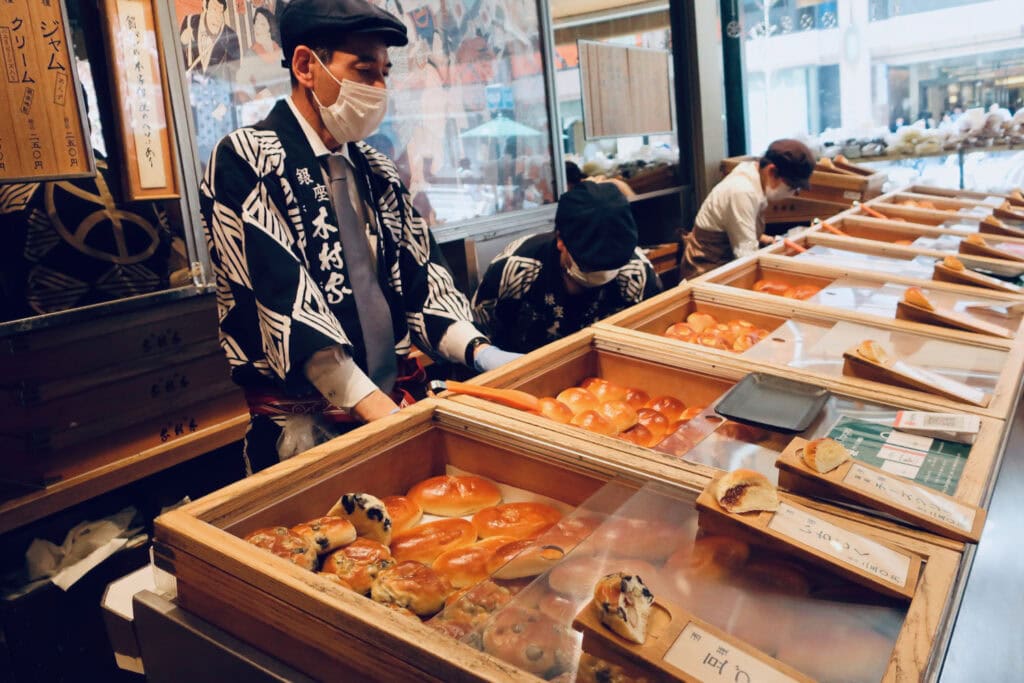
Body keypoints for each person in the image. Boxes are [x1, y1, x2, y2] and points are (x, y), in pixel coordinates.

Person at [200, 0, 519, 474]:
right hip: (300, 433)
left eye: (384, 74)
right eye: (364, 71)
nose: (378, 89)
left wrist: (478, 350)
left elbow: (422, 274)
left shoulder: (375, 168)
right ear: (307, 65)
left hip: (389, 407)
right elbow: (280, 296)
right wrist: (375, 409)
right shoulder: (247, 158)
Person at [473, 180, 662, 353]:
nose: (604, 273)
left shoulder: (637, 273)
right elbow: (480, 330)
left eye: (614, 265)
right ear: (561, 240)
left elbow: (655, 336)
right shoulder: (516, 268)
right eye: (591, 265)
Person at [681, 139, 815, 279]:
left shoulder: (754, 174)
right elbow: (745, 255)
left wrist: (766, 239)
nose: (795, 193)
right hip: (706, 272)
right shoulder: (743, 191)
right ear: (772, 171)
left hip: (725, 265)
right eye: (792, 186)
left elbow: (734, 228)